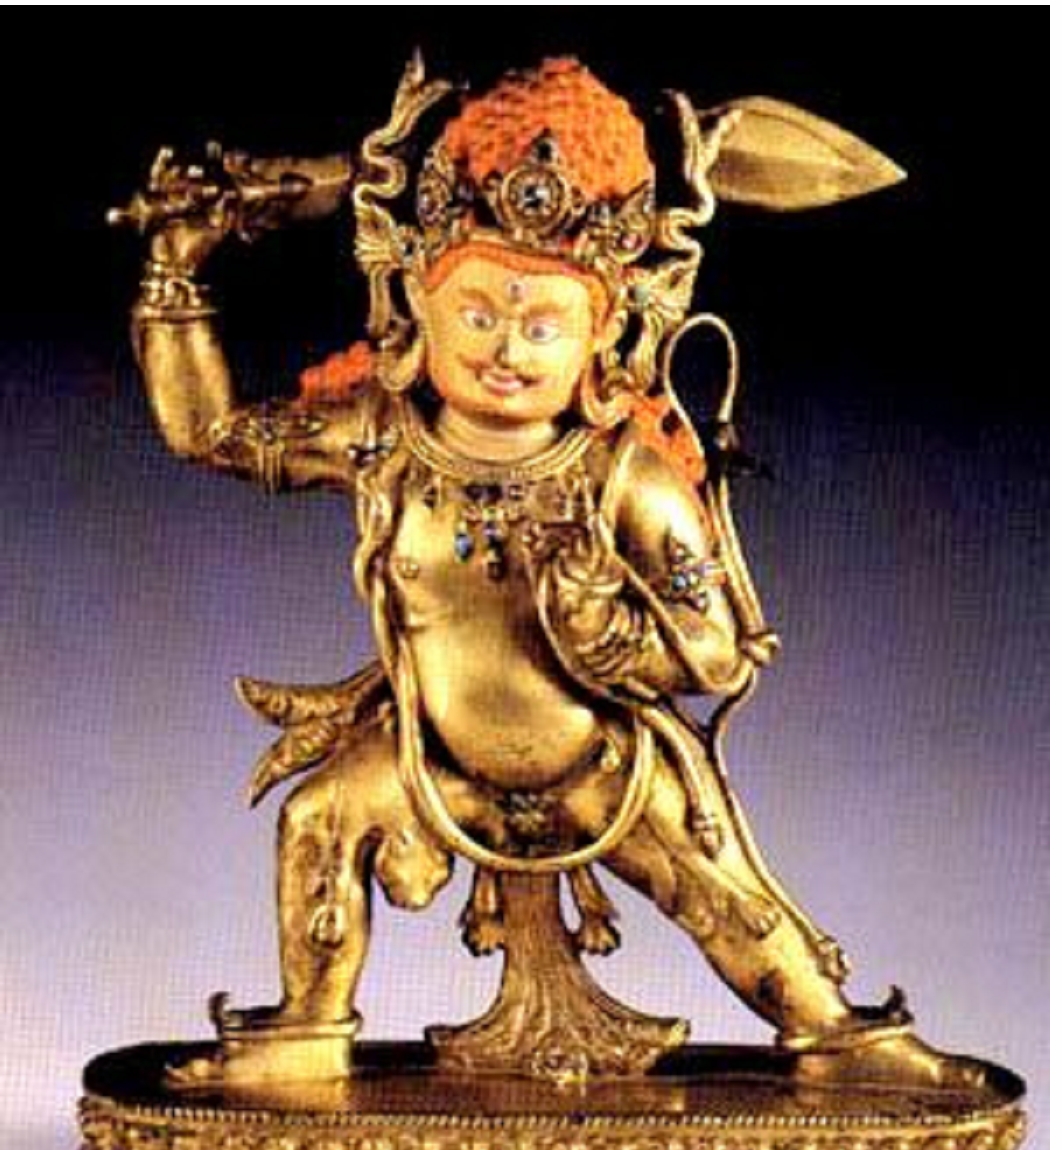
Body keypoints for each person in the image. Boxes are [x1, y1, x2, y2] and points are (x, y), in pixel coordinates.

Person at [120, 55, 978, 1089]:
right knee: (319, 820)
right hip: (434, 762)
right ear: (417, 302)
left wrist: (610, 638)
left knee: (733, 905)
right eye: (479, 314)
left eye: (543, 326)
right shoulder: (383, 437)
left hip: (602, 767)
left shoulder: (625, 476)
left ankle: (839, 1045)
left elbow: (715, 652)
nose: (507, 351)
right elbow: (210, 431)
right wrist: (175, 275)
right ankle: (306, 1036)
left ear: (603, 333)